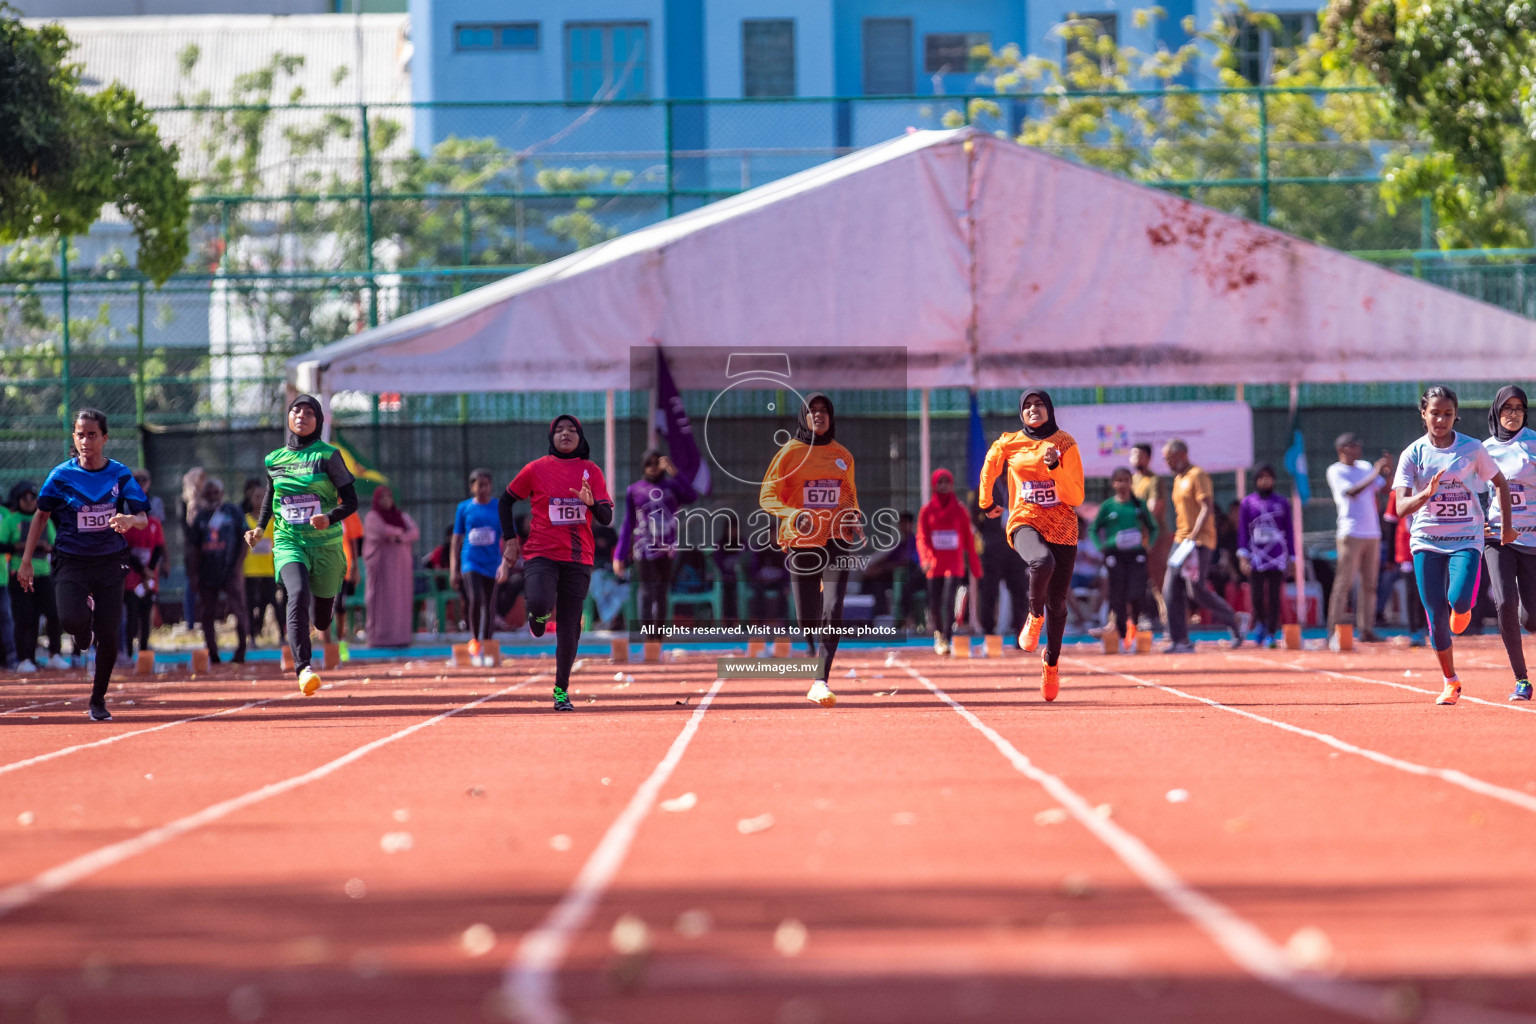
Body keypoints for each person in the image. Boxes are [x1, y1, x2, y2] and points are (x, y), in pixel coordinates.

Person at [19, 409, 151, 721]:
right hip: (71, 560)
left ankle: (98, 699)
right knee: (70, 621)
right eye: (80, 434)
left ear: (105, 438)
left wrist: (129, 519)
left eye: (92, 435)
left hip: (109, 561)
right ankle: (82, 629)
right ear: (74, 438)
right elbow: (41, 515)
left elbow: (143, 518)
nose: (86, 440)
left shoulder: (119, 474)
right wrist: (26, 561)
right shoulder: (61, 476)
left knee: (110, 635)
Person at [1394, 386, 1513, 705]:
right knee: (1435, 613)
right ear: (1424, 414)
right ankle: (1450, 681)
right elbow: (1401, 507)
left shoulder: (1472, 448)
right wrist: (1426, 494)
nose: (1441, 419)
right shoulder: (1413, 454)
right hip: (1426, 540)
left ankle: (1462, 608)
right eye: (1435, 413)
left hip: (1465, 538)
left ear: (1454, 415)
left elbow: (1499, 482)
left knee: (1458, 600)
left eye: (1448, 414)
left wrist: (1506, 525)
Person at [245, 395, 358, 696]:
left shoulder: (328, 456)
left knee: (322, 618)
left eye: (310, 412)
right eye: (297, 410)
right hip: (288, 540)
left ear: (318, 421)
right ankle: (304, 668)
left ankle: (324, 619)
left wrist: (330, 517)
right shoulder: (274, 459)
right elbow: (271, 498)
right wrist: (258, 529)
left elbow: (352, 502)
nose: (302, 415)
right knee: (296, 594)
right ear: (289, 416)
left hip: (326, 546)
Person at [978, 388, 1086, 701]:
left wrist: (1055, 467)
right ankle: (1033, 615)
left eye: (1039, 404)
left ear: (1050, 409)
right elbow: (990, 466)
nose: (1033, 409)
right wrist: (987, 502)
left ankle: (1051, 664)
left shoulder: (1065, 443)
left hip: (1063, 527)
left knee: (1059, 603)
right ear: (1021, 412)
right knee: (1041, 562)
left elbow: (1075, 496)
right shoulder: (1010, 442)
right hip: (1024, 520)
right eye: (1027, 405)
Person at [499, 415, 612, 710]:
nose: (566, 434)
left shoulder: (591, 471)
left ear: (580, 437)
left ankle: (561, 691)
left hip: (578, 556)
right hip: (541, 552)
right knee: (539, 601)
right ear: (552, 437)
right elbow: (505, 500)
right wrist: (511, 540)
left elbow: (607, 518)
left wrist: (591, 503)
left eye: (572, 430)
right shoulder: (536, 469)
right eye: (559, 430)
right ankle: (536, 617)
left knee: (569, 626)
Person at [760, 392, 862, 707]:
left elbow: (848, 496)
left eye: (824, 411)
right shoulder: (789, 454)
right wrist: (793, 514)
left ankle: (821, 679)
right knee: (807, 618)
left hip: (836, 541)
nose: (818, 415)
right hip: (802, 543)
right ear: (804, 417)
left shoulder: (842, 455)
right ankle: (811, 649)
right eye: (812, 411)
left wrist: (854, 517)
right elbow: (767, 495)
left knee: (833, 609)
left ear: (831, 417)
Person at [1162, 439, 1246, 653]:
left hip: (1198, 542)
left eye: (1169, 458)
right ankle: (1180, 639)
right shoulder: (1177, 479)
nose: (1167, 463)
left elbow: (1206, 508)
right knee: (1170, 588)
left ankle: (1234, 621)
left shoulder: (1197, 475)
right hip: (1180, 541)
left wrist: (1194, 536)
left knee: (1196, 591)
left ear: (1181, 454)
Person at [1482, 385, 1536, 700]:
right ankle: (1522, 680)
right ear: (1497, 412)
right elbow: (1472, 491)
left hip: (1532, 539)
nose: (1512, 414)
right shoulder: (1483, 449)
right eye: (1506, 408)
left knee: (1531, 620)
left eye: (1518, 408)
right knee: (1504, 603)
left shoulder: (1533, 444)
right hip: (1498, 538)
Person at [614, 449, 699, 635]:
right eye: (648, 464)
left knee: (661, 591)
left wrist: (674, 472)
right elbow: (628, 523)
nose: (653, 467)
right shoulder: (634, 490)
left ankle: (658, 636)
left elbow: (692, 496)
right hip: (643, 548)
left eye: (656, 463)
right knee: (647, 590)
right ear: (643, 466)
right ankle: (647, 635)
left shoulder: (672, 487)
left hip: (667, 548)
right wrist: (619, 555)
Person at [1325, 432, 1392, 647]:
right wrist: (1374, 473)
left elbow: (1385, 488)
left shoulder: (1364, 467)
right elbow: (1352, 492)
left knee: (1369, 585)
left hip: (1372, 533)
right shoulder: (1336, 470)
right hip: (1350, 533)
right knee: (1343, 584)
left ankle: (1366, 629)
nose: (1358, 450)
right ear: (1342, 449)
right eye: (1353, 446)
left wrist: (1388, 471)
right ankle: (1333, 630)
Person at [1092, 466, 1159, 652]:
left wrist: (1150, 544)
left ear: (1131, 482)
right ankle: (1122, 636)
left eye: (1126, 480)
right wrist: (1101, 547)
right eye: (1118, 480)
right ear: (1113, 483)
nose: (1122, 484)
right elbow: (1093, 529)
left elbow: (1153, 526)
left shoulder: (1138, 505)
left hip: (1136, 555)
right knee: (1118, 596)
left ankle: (1134, 626)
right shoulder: (1108, 506)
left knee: (1136, 593)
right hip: (1115, 555)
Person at [917, 468, 981, 655]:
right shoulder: (927, 511)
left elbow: (969, 539)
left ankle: (947, 637)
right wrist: (925, 558)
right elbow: (922, 537)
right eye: (940, 482)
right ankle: (939, 634)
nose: (943, 486)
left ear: (951, 484)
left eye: (947, 482)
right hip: (934, 564)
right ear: (934, 485)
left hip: (954, 564)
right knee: (934, 602)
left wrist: (975, 566)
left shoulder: (960, 510)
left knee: (948, 600)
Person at [4, 481, 65, 671]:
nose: (29, 501)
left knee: (54, 614)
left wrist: (48, 548)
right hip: (20, 575)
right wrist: (18, 548)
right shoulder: (11, 521)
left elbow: (56, 546)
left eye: (33, 497)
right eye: (25, 497)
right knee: (25, 617)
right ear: (18, 499)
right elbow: (1, 544)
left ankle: (55, 653)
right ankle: (26, 658)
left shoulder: (45, 519)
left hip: (44, 574)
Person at [188, 477, 248, 664]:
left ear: (221, 493)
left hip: (230, 569)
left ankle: (242, 650)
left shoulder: (234, 512)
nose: (212, 496)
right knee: (207, 612)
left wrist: (238, 567)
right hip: (208, 571)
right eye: (208, 493)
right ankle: (212, 652)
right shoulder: (200, 517)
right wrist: (194, 575)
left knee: (239, 609)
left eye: (215, 492)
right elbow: (194, 548)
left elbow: (245, 539)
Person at [1237, 464, 1294, 648]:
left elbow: (1290, 531)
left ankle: (1271, 631)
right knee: (1257, 596)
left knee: (1275, 596)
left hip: (1276, 557)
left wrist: (1292, 558)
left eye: (1269, 477)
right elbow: (1243, 532)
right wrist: (1242, 557)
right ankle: (1260, 622)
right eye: (1261, 477)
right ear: (1255, 480)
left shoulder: (1282, 502)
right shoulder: (1247, 503)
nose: (1265, 480)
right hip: (1256, 557)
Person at [452, 468, 502, 664]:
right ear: (472, 487)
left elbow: (507, 536)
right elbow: (457, 539)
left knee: (489, 603)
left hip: (493, 563)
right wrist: (454, 567)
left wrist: (506, 563)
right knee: (475, 597)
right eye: (479, 484)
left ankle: (488, 643)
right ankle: (474, 640)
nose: (483, 488)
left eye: (486, 484)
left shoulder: (498, 507)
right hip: (470, 561)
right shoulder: (464, 508)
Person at [363, 485, 420, 647]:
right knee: (380, 601)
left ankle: (401, 638)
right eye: (382, 497)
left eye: (389, 497)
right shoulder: (372, 517)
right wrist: (400, 533)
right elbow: (381, 531)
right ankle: (378, 638)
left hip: (401, 569)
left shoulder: (401, 516)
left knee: (400, 600)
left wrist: (399, 537)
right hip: (382, 568)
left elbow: (414, 532)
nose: (386, 500)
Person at [972, 489, 1028, 647]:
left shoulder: (1020, 483)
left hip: (1015, 549)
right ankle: (989, 636)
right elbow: (975, 513)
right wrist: (987, 532)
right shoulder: (987, 485)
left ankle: (1021, 636)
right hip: (993, 549)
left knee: (1019, 592)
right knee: (989, 594)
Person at [121, 470, 166, 659]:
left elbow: (158, 548)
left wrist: (149, 571)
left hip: (149, 577)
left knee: (146, 612)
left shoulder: (154, 523)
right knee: (132, 613)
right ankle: (129, 651)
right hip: (132, 576)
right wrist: (142, 571)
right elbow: (126, 551)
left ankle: (144, 650)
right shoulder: (127, 524)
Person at [1130, 443, 1169, 631]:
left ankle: (1170, 623)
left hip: (1156, 537)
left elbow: (1155, 507)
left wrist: (1144, 532)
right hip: (1135, 539)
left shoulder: (1154, 480)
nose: (1136, 458)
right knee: (1132, 580)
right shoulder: (1131, 481)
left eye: (1140, 455)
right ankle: (1126, 624)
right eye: (1133, 455)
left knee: (1159, 581)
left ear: (1148, 458)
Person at [1381, 488, 1426, 647]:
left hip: (1428, 547)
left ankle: (1429, 627)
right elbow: (1391, 525)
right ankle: (1415, 630)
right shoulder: (1397, 494)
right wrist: (1390, 557)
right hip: (1406, 551)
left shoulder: (1427, 488)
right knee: (1411, 590)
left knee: (1427, 590)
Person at [242, 477, 282, 644]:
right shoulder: (245, 520)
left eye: (264, 497)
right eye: (256, 497)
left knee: (274, 603)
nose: (260, 500)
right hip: (250, 570)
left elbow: (276, 546)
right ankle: (251, 637)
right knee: (251, 604)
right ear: (250, 499)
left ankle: (282, 636)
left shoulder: (273, 522)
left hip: (268, 570)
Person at [178, 467, 206, 633]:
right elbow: (185, 527)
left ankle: (204, 619)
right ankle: (189, 621)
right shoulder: (183, 502)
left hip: (207, 548)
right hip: (192, 549)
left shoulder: (207, 500)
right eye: (200, 479)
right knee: (191, 584)